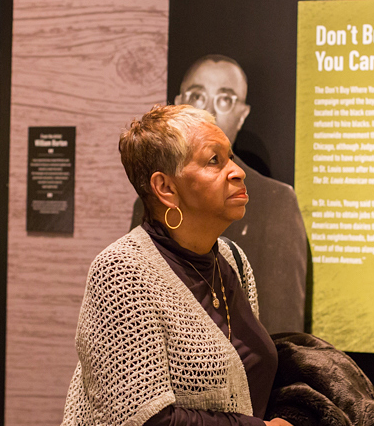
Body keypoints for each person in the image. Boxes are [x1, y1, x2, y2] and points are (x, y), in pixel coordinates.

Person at [47, 105, 309, 426]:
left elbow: (239, 389)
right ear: (165, 188)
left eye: (232, 157)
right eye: (214, 161)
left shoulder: (234, 262)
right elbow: (146, 425)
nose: (238, 172)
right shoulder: (122, 271)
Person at [130, 55, 308, 334]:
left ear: (242, 113)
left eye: (224, 99)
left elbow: (281, 333)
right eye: (197, 96)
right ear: (178, 104)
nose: (209, 110)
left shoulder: (276, 203)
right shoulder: (149, 204)